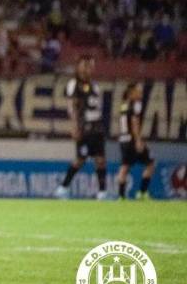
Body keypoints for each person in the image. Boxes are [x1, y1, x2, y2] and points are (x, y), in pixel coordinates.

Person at [55, 55, 108, 200]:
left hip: (97, 127)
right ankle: (63, 187)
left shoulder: (95, 86)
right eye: (84, 66)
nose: (87, 69)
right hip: (84, 127)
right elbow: (72, 106)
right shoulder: (74, 84)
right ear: (78, 67)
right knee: (80, 159)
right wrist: (74, 126)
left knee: (100, 159)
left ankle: (102, 192)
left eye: (90, 66)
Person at [116, 82, 155, 200]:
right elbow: (134, 122)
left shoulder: (123, 105)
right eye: (138, 90)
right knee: (150, 163)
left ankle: (121, 196)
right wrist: (138, 140)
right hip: (132, 139)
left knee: (125, 166)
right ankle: (142, 192)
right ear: (131, 93)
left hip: (123, 139)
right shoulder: (136, 104)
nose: (140, 92)